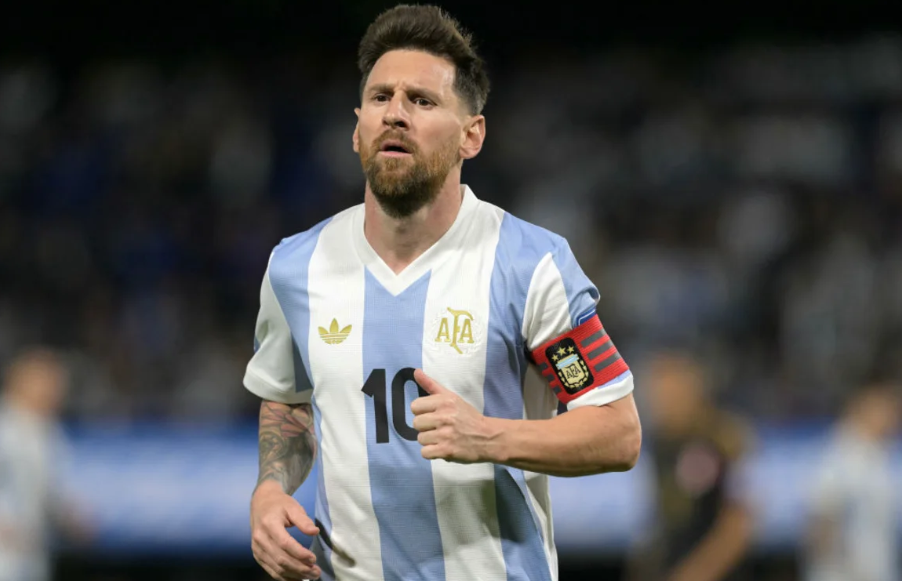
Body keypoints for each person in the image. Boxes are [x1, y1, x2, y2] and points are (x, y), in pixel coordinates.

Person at [243, 5, 642, 580]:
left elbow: (617, 431)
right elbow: (289, 398)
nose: (396, 115)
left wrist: (488, 436)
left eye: (422, 101)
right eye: (380, 98)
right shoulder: (296, 268)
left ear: (471, 135)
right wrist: (269, 491)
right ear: (357, 128)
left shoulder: (530, 265)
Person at [626, 352, 754, 581]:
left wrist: (695, 574)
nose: (661, 404)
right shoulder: (659, 446)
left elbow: (738, 525)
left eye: (669, 394)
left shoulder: (723, 438)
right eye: (656, 396)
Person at [0, 348, 89, 581]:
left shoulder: (49, 434)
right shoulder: (5, 427)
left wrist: (69, 517)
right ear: (20, 380)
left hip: (30, 557)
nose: (56, 389)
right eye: (47, 380)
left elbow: (49, 494)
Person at [802, 380, 900, 581]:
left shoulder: (877, 457)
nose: (894, 417)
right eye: (886, 409)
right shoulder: (839, 456)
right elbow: (821, 521)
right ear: (862, 408)